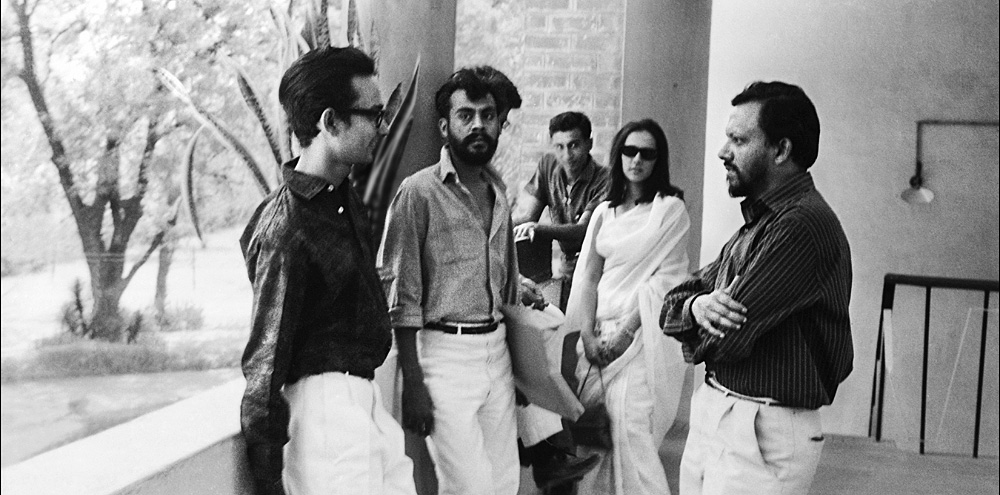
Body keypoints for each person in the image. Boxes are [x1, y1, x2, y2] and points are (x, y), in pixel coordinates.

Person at [660, 81, 853, 495]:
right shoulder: (761, 222)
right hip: (721, 412)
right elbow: (675, 301)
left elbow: (727, 337)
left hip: (764, 430)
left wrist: (692, 329)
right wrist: (695, 308)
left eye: (738, 139)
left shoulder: (800, 225)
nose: (722, 151)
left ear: (781, 150)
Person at [239, 47, 415, 495]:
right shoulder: (287, 226)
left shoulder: (342, 199)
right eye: (372, 114)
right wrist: (268, 481)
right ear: (331, 122)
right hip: (324, 413)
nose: (383, 125)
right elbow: (266, 359)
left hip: (365, 401)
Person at [377, 67, 521, 495]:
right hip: (444, 358)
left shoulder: (499, 192)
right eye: (466, 115)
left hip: (497, 353)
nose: (479, 124)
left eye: (488, 114)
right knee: (470, 488)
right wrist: (414, 382)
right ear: (445, 126)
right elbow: (400, 295)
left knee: (504, 483)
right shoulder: (417, 193)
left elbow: (499, 274)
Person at [566, 119, 692, 494]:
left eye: (647, 153)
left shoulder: (669, 211)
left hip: (639, 340)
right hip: (597, 337)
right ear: (618, 153)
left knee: (630, 427)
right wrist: (587, 334)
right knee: (592, 434)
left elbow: (668, 282)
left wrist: (625, 333)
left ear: (658, 160)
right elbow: (588, 276)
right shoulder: (604, 212)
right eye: (629, 150)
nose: (637, 159)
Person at [513, 112, 610, 311]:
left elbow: (583, 230)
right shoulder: (547, 165)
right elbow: (526, 217)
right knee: (564, 326)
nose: (566, 155)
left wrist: (538, 228)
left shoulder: (606, 179)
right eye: (559, 147)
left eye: (574, 145)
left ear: (589, 144)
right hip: (567, 269)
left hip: (598, 268)